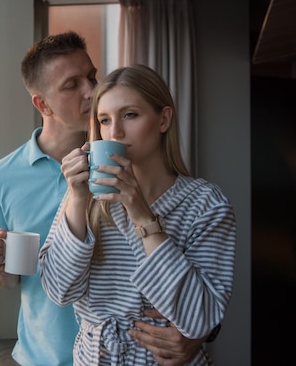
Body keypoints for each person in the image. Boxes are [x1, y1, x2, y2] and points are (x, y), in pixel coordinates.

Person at [0, 32, 211, 366]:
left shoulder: (135, 156)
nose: (91, 91)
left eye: (91, 77)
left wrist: (198, 331)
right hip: (48, 356)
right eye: (72, 85)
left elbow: (195, 266)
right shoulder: (2, 176)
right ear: (42, 104)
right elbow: (15, 277)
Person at [39, 64, 237, 365]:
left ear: (163, 119)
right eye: (104, 120)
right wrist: (78, 199)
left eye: (130, 115)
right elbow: (59, 291)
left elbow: (199, 318)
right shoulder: (84, 198)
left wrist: (141, 215)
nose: (114, 132)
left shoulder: (205, 204)